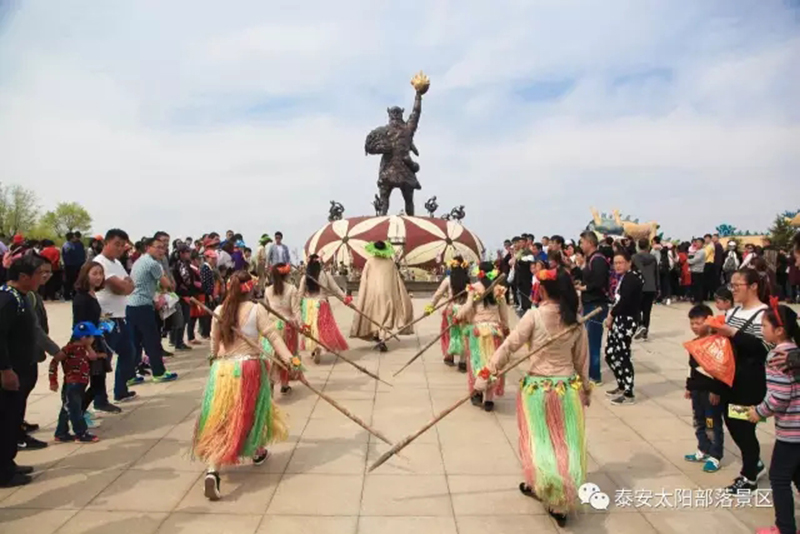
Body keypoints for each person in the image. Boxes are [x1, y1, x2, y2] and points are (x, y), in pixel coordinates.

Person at [473, 268, 590, 527]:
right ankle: (552, 493)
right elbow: (582, 361)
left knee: (540, 441)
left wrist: (487, 373)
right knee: (565, 442)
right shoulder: (576, 320)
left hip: (538, 390)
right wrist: (585, 390)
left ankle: (551, 487)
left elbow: (509, 346)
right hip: (567, 390)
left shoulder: (534, 316)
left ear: (543, 290)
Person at [193, 271, 291, 501]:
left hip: (222, 371)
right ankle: (255, 451)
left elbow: (214, 342)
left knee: (221, 418)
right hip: (248, 369)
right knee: (250, 413)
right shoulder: (256, 310)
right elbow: (273, 336)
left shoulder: (219, 310)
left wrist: (213, 360)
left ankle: (214, 470)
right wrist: (290, 359)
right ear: (250, 288)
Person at [707, 268, 770, 494]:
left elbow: (764, 348)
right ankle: (754, 464)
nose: (733, 290)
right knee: (732, 422)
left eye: (737, 285)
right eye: (731, 285)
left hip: (750, 382)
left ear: (753, 286)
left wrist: (733, 333)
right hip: (729, 379)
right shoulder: (733, 312)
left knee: (744, 427)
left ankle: (749, 476)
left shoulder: (764, 314)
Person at [750, 302, 800, 534]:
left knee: (779, 478)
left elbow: (780, 396)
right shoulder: (794, 351)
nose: (761, 329)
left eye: (764, 325)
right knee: (796, 473)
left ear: (779, 330)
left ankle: (785, 527)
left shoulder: (777, 355)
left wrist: (759, 411)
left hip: (791, 430)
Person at [0, 255, 50, 487]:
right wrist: (5, 370)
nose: (43, 277)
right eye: (39, 273)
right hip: (11, 371)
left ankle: (8, 463)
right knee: (5, 420)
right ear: (23, 276)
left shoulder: (21, 297)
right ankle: (3, 472)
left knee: (14, 419)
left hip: (23, 367)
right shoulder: (7, 299)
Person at [455, 262, 509, 412]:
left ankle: (477, 392)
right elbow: (504, 313)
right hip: (494, 331)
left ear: (480, 272)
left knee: (477, 362)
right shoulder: (499, 289)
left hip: (478, 331)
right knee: (493, 364)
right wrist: (505, 328)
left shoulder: (474, 287)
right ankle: (489, 399)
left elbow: (468, 307)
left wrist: (458, 316)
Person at [93, 229, 139, 403]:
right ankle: (100, 399)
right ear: (106, 243)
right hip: (106, 317)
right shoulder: (100, 263)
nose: (120, 249)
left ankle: (120, 390)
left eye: (122, 245)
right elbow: (119, 288)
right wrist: (124, 286)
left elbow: (130, 286)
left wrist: (125, 285)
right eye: (116, 244)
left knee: (129, 352)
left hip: (120, 316)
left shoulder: (117, 263)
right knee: (105, 357)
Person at [126, 238, 178, 383]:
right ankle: (159, 372)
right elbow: (167, 285)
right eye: (158, 247)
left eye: (163, 248)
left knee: (135, 341)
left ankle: (130, 375)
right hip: (142, 305)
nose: (161, 251)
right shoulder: (153, 264)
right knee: (152, 340)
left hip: (131, 304)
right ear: (148, 247)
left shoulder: (139, 261)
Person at [683, 304, 726, 474]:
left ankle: (715, 455)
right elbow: (691, 368)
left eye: (698, 323)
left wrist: (716, 390)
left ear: (708, 322)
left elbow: (719, 369)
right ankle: (703, 448)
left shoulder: (716, 343)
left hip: (710, 393)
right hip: (697, 391)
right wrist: (689, 387)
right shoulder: (694, 343)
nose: (694, 327)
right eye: (692, 323)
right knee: (699, 420)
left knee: (712, 423)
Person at [73, 262, 119, 418]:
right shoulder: (81, 298)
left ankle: (79, 412)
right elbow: (79, 325)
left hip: (96, 340)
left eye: (101, 273)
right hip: (86, 343)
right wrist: (88, 348)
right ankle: (76, 413)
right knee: (85, 383)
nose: (99, 277)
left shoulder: (92, 294)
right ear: (85, 275)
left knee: (98, 381)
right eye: (94, 273)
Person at [349, 241, 413, 352]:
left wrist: (364, 294)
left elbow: (364, 279)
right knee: (386, 316)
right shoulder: (390, 263)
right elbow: (397, 280)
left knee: (375, 314)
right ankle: (382, 338)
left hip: (373, 294)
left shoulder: (369, 262)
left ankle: (377, 335)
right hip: (388, 294)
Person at [49, 322, 103, 443]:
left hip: (80, 383)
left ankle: (61, 433)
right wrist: (53, 381)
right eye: (92, 337)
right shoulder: (68, 349)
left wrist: (88, 347)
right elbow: (54, 362)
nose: (94, 339)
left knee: (67, 408)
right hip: (72, 383)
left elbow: (93, 357)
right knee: (75, 409)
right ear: (84, 338)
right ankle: (81, 433)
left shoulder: (83, 349)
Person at [604, 250, 643, 405]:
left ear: (629, 263)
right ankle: (621, 384)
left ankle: (628, 392)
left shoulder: (632, 279)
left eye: (621, 262)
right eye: (615, 263)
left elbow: (624, 301)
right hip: (619, 319)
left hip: (627, 320)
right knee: (610, 353)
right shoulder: (624, 277)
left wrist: (611, 315)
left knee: (622, 355)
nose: (618, 266)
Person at [300, 255, 351, 362]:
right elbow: (335, 289)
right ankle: (319, 347)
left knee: (310, 328)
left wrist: (297, 304)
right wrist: (344, 298)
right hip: (322, 304)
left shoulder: (305, 277)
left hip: (309, 306)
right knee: (322, 329)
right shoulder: (325, 274)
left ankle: (313, 348)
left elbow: (300, 293)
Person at [262, 263, 303, 393]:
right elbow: (296, 310)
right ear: (287, 274)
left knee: (272, 354)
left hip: (271, 325)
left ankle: (271, 381)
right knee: (289, 354)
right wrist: (302, 326)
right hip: (288, 326)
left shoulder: (268, 290)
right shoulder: (292, 289)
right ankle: (285, 384)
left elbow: (266, 309)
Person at [426, 256, 470, 371]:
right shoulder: (468, 280)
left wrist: (430, 307)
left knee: (450, 334)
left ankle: (449, 357)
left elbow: (438, 294)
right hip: (464, 310)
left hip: (451, 310)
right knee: (464, 334)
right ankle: (463, 361)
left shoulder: (448, 280)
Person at [578, 231, 610, 385]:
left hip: (596, 304)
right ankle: (589, 371)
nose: (580, 245)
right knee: (588, 340)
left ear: (589, 242)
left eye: (582, 242)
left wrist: (584, 288)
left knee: (594, 341)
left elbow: (599, 282)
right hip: (589, 303)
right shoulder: (590, 259)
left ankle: (595, 376)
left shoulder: (598, 260)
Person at [633, 238, 659, 341]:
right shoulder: (653, 258)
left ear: (638, 246)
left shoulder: (634, 258)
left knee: (636, 309)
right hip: (651, 286)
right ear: (648, 246)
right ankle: (645, 330)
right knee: (647, 311)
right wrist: (657, 286)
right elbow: (656, 273)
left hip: (639, 286)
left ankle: (640, 325)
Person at [62, 232, 86, 300]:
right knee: (69, 281)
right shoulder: (67, 245)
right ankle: (67, 295)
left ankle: (74, 294)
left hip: (76, 265)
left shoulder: (76, 244)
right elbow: (67, 256)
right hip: (70, 266)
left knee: (75, 280)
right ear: (72, 238)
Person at [688, 238, 707, 304]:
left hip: (698, 271)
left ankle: (699, 300)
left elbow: (696, 260)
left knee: (698, 286)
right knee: (695, 286)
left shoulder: (702, 251)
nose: (697, 244)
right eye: (697, 242)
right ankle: (696, 299)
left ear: (702, 244)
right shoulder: (697, 251)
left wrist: (687, 261)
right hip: (694, 270)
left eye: (699, 242)